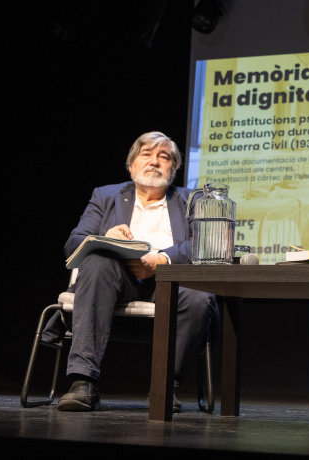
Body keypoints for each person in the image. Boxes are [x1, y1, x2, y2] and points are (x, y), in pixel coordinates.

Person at [51, 131, 219, 412]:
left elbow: (205, 245)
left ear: (173, 169)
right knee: (97, 262)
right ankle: (83, 382)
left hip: (169, 283)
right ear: (131, 166)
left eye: (164, 157)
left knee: (200, 297)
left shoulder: (192, 200)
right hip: (114, 280)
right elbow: (74, 243)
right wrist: (104, 238)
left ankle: (164, 386)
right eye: (146, 155)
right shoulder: (105, 196)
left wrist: (162, 260)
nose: (154, 162)